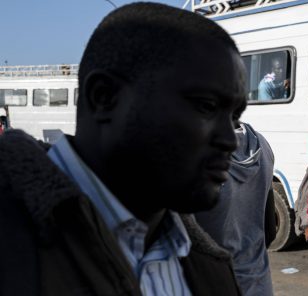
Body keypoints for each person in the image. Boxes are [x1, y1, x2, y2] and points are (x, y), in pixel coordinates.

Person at [0, 3, 246, 295]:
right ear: (104, 97)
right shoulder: (10, 244)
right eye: (206, 106)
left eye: (234, 118)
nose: (231, 140)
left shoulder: (212, 271)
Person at [194, 119, 276, 296]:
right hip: (259, 284)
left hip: (214, 284)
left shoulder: (194, 155)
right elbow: (270, 231)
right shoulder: (261, 143)